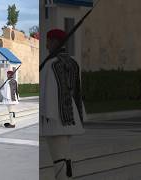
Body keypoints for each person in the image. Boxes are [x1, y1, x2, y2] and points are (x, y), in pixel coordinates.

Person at [41, 29, 86, 180]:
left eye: (48, 41)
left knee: (59, 159)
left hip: (54, 118)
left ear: (54, 42)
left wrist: (46, 116)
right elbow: (78, 92)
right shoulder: (73, 63)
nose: (46, 45)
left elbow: (48, 93)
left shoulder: (51, 65)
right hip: (70, 117)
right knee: (66, 158)